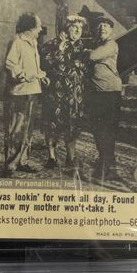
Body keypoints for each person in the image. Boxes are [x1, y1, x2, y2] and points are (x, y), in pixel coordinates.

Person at [1, 13, 49, 177]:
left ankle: (22, 161)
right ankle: (10, 166)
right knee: (16, 129)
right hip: (19, 92)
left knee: (28, 129)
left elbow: (33, 66)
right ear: (30, 28)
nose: (40, 29)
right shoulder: (17, 41)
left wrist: (40, 75)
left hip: (33, 90)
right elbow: (10, 64)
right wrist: (24, 76)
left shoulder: (33, 42)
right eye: (38, 26)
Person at [40, 15, 87, 170]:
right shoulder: (52, 44)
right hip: (55, 91)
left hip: (74, 93)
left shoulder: (82, 46)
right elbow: (45, 63)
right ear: (66, 28)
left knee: (72, 124)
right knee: (52, 123)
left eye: (80, 28)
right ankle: (51, 157)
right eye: (74, 27)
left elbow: (86, 66)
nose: (78, 31)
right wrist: (60, 48)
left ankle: (70, 158)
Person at [84, 17, 122, 181]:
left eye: (105, 26)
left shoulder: (110, 44)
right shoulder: (100, 44)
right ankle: (107, 163)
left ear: (111, 30)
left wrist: (84, 51)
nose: (102, 29)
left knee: (105, 130)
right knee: (99, 129)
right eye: (100, 26)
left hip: (108, 93)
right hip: (98, 93)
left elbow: (93, 56)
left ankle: (105, 167)